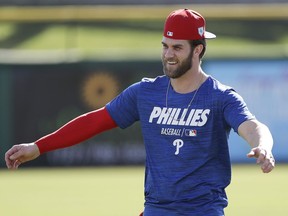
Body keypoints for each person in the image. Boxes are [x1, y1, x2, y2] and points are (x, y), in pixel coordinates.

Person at [5, 8, 275, 216]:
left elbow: (252, 126)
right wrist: (39, 146)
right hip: (157, 209)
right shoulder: (145, 93)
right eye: (165, 46)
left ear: (198, 49)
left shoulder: (220, 97)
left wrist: (263, 146)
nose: (168, 54)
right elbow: (94, 122)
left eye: (177, 48)